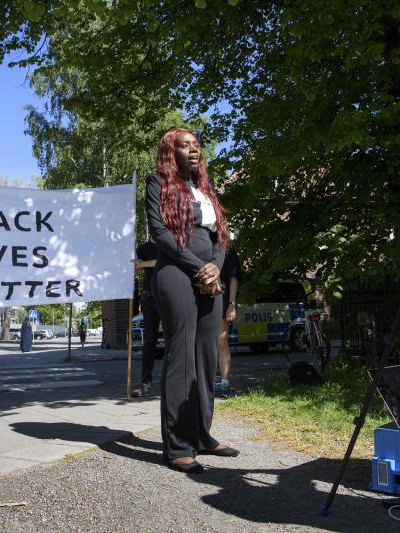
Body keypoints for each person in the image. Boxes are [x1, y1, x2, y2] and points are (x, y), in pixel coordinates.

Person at [146, 128, 239, 473]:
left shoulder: (206, 188)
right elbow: (160, 233)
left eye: (197, 146)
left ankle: (202, 435)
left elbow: (221, 236)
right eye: (186, 146)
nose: (195, 151)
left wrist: (215, 265)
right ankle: (178, 446)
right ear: (172, 152)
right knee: (182, 357)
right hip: (176, 274)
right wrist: (200, 267)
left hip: (209, 276)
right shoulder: (157, 183)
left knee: (206, 356)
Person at [131, 240, 160, 397]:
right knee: (149, 341)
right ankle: (145, 382)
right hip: (148, 297)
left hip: (167, 296)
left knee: (173, 338)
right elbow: (135, 270)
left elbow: (161, 262)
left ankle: (175, 379)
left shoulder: (168, 243)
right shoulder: (142, 249)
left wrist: (142, 264)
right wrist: (133, 264)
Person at [217, 244, 241, 397]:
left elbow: (234, 279)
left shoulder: (227, 249)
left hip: (221, 300)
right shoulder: (196, 241)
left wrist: (231, 305)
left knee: (221, 341)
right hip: (199, 300)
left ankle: (224, 382)